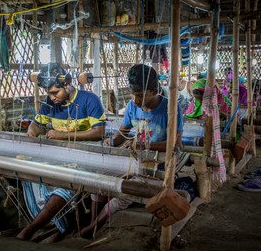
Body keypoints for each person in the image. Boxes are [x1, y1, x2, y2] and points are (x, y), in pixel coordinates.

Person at [80, 63, 184, 238]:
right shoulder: (132, 106)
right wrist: (110, 142)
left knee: (123, 195)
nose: (135, 100)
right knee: (95, 182)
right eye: (133, 94)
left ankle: (92, 229)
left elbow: (176, 145)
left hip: (160, 166)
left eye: (140, 95)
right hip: (136, 160)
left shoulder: (170, 109)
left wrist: (146, 145)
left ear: (154, 91)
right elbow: (123, 134)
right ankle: (92, 223)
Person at [17, 62, 106, 241]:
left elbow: (99, 132)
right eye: (49, 93)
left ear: (67, 84)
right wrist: (32, 131)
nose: (52, 97)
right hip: (59, 157)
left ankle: (31, 229)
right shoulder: (49, 103)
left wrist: (62, 135)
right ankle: (51, 221)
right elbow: (37, 124)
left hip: (86, 158)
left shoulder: (89, 100)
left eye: (55, 92)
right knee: (27, 174)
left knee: (64, 185)